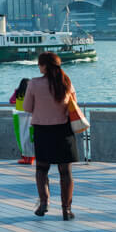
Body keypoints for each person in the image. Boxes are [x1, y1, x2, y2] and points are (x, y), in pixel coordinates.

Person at [24, 52, 79, 221]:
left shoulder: (34, 84)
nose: (38, 67)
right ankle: (66, 210)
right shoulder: (66, 82)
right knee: (65, 172)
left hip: (43, 131)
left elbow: (27, 107)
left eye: (40, 64)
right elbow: (73, 105)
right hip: (63, 131)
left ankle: (44, 203)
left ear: (45, 66)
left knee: (41, 169)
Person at [10, 78, 35, 165]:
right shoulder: (31, 93)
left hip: (20, 117)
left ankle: (25, 158)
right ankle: (31, 158)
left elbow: (11, 101)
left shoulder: (17, 92)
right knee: (30, 138)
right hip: (31, 117)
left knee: (21, 138)